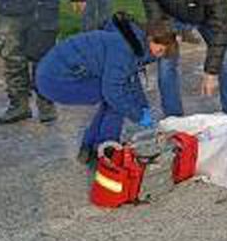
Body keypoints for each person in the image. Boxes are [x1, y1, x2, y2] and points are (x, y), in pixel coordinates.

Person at [36, 13, 175, 164]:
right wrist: (138, 115)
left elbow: (131, 80)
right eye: (160, 51)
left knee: (117, 95)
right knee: (116, 100)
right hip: (56, 79)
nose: (159, 56)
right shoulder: (125, 49)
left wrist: (143, 107)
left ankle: (89, 148)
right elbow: (114, 93)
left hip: (55, 72)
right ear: (150, 39)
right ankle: (106, 148)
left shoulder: (134, 42)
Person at [140, 0, 227, 117]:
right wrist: (162, 34)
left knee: (226, 59)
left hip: (205, 15)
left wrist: (211, 72)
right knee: (165, 62)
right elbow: (153, 8)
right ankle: (173, 118)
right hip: (170, 15)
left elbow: (221, 27)